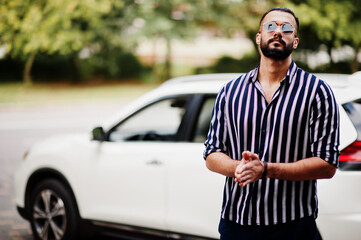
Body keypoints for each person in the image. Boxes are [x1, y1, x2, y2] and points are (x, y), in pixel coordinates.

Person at [203, 7, 340, 240]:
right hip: (236, 223)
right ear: (259, 37)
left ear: (294, 42)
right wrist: (242, 169)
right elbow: (212, 154)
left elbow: (327, 165)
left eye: (286, 28)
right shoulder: (230, 92)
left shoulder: (317, 92)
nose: (278, 32)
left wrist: (265, 170)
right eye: (270, 26)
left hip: (292, 226)